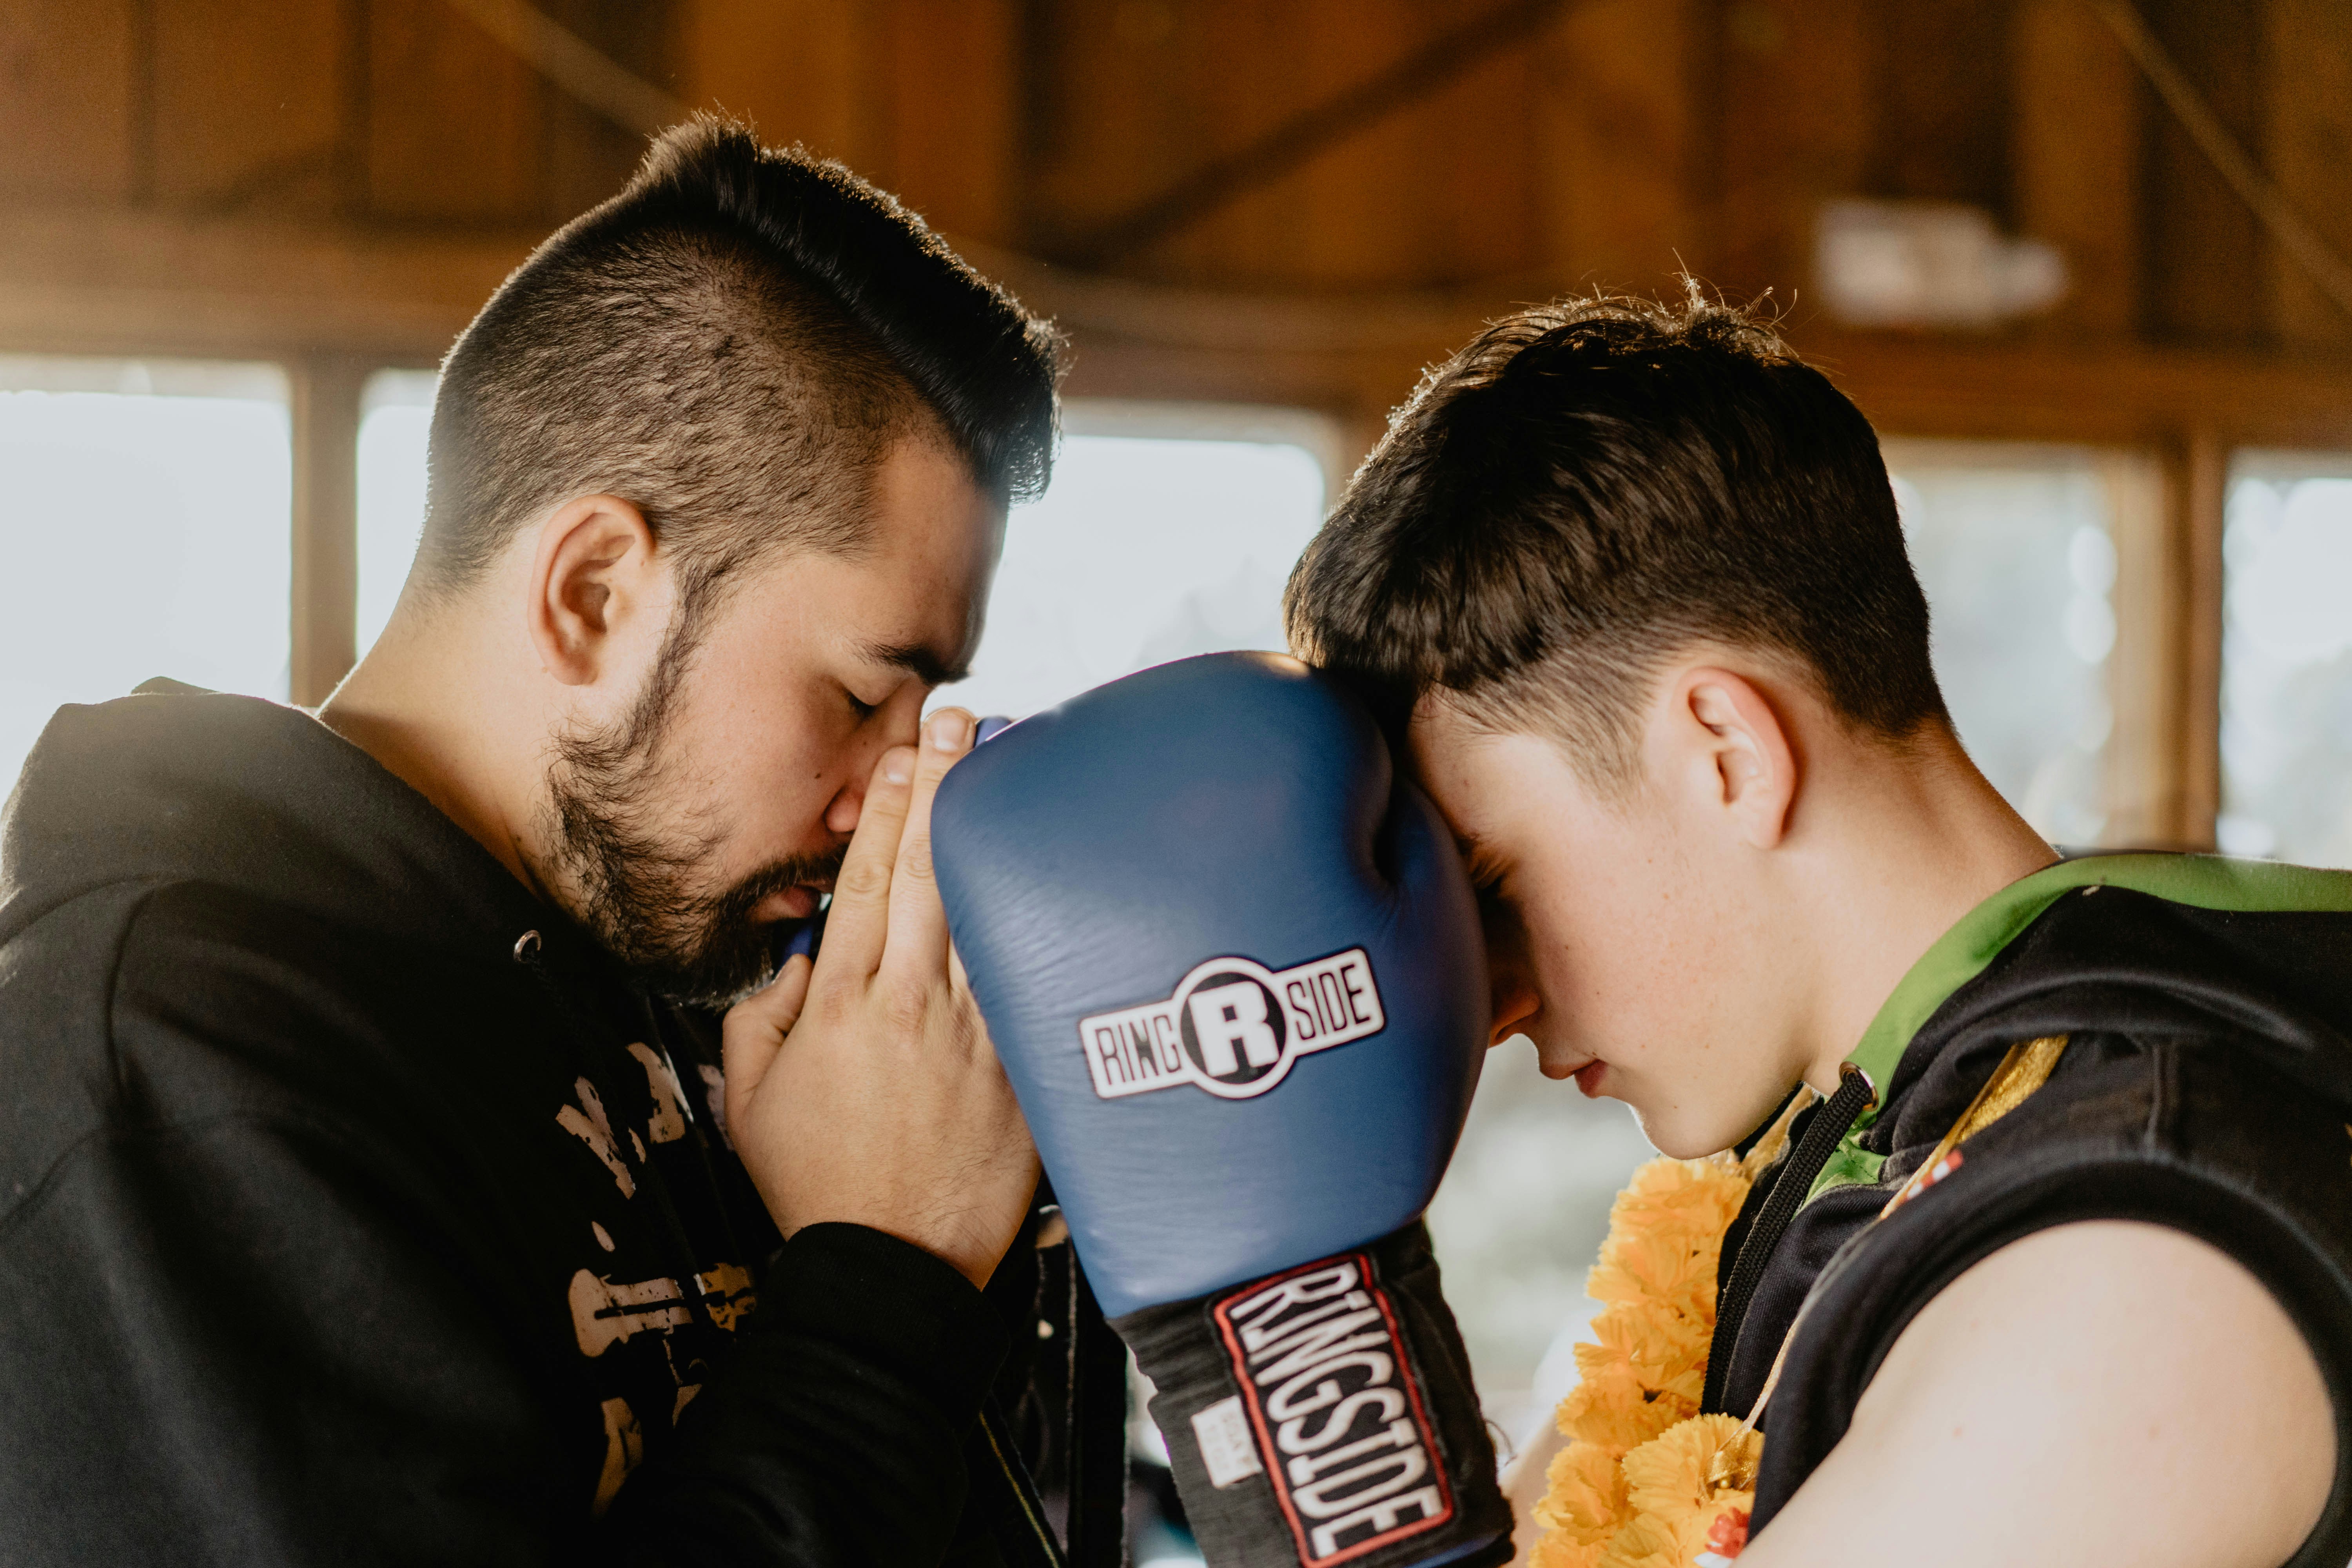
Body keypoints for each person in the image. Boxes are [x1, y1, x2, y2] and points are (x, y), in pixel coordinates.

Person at [0, 118, 1064, 1566]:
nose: (891, 793)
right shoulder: (168, 1075)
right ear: (595, 594)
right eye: (866, 694)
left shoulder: (637, 987)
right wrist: (884, 1287)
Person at [1282, 294, 2352, 1566]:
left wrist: (1258, 1317)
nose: (1496, 1005)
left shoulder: (2135, 1251)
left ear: (1725, 752)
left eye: (1495, 885)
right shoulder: (1844, 1137)